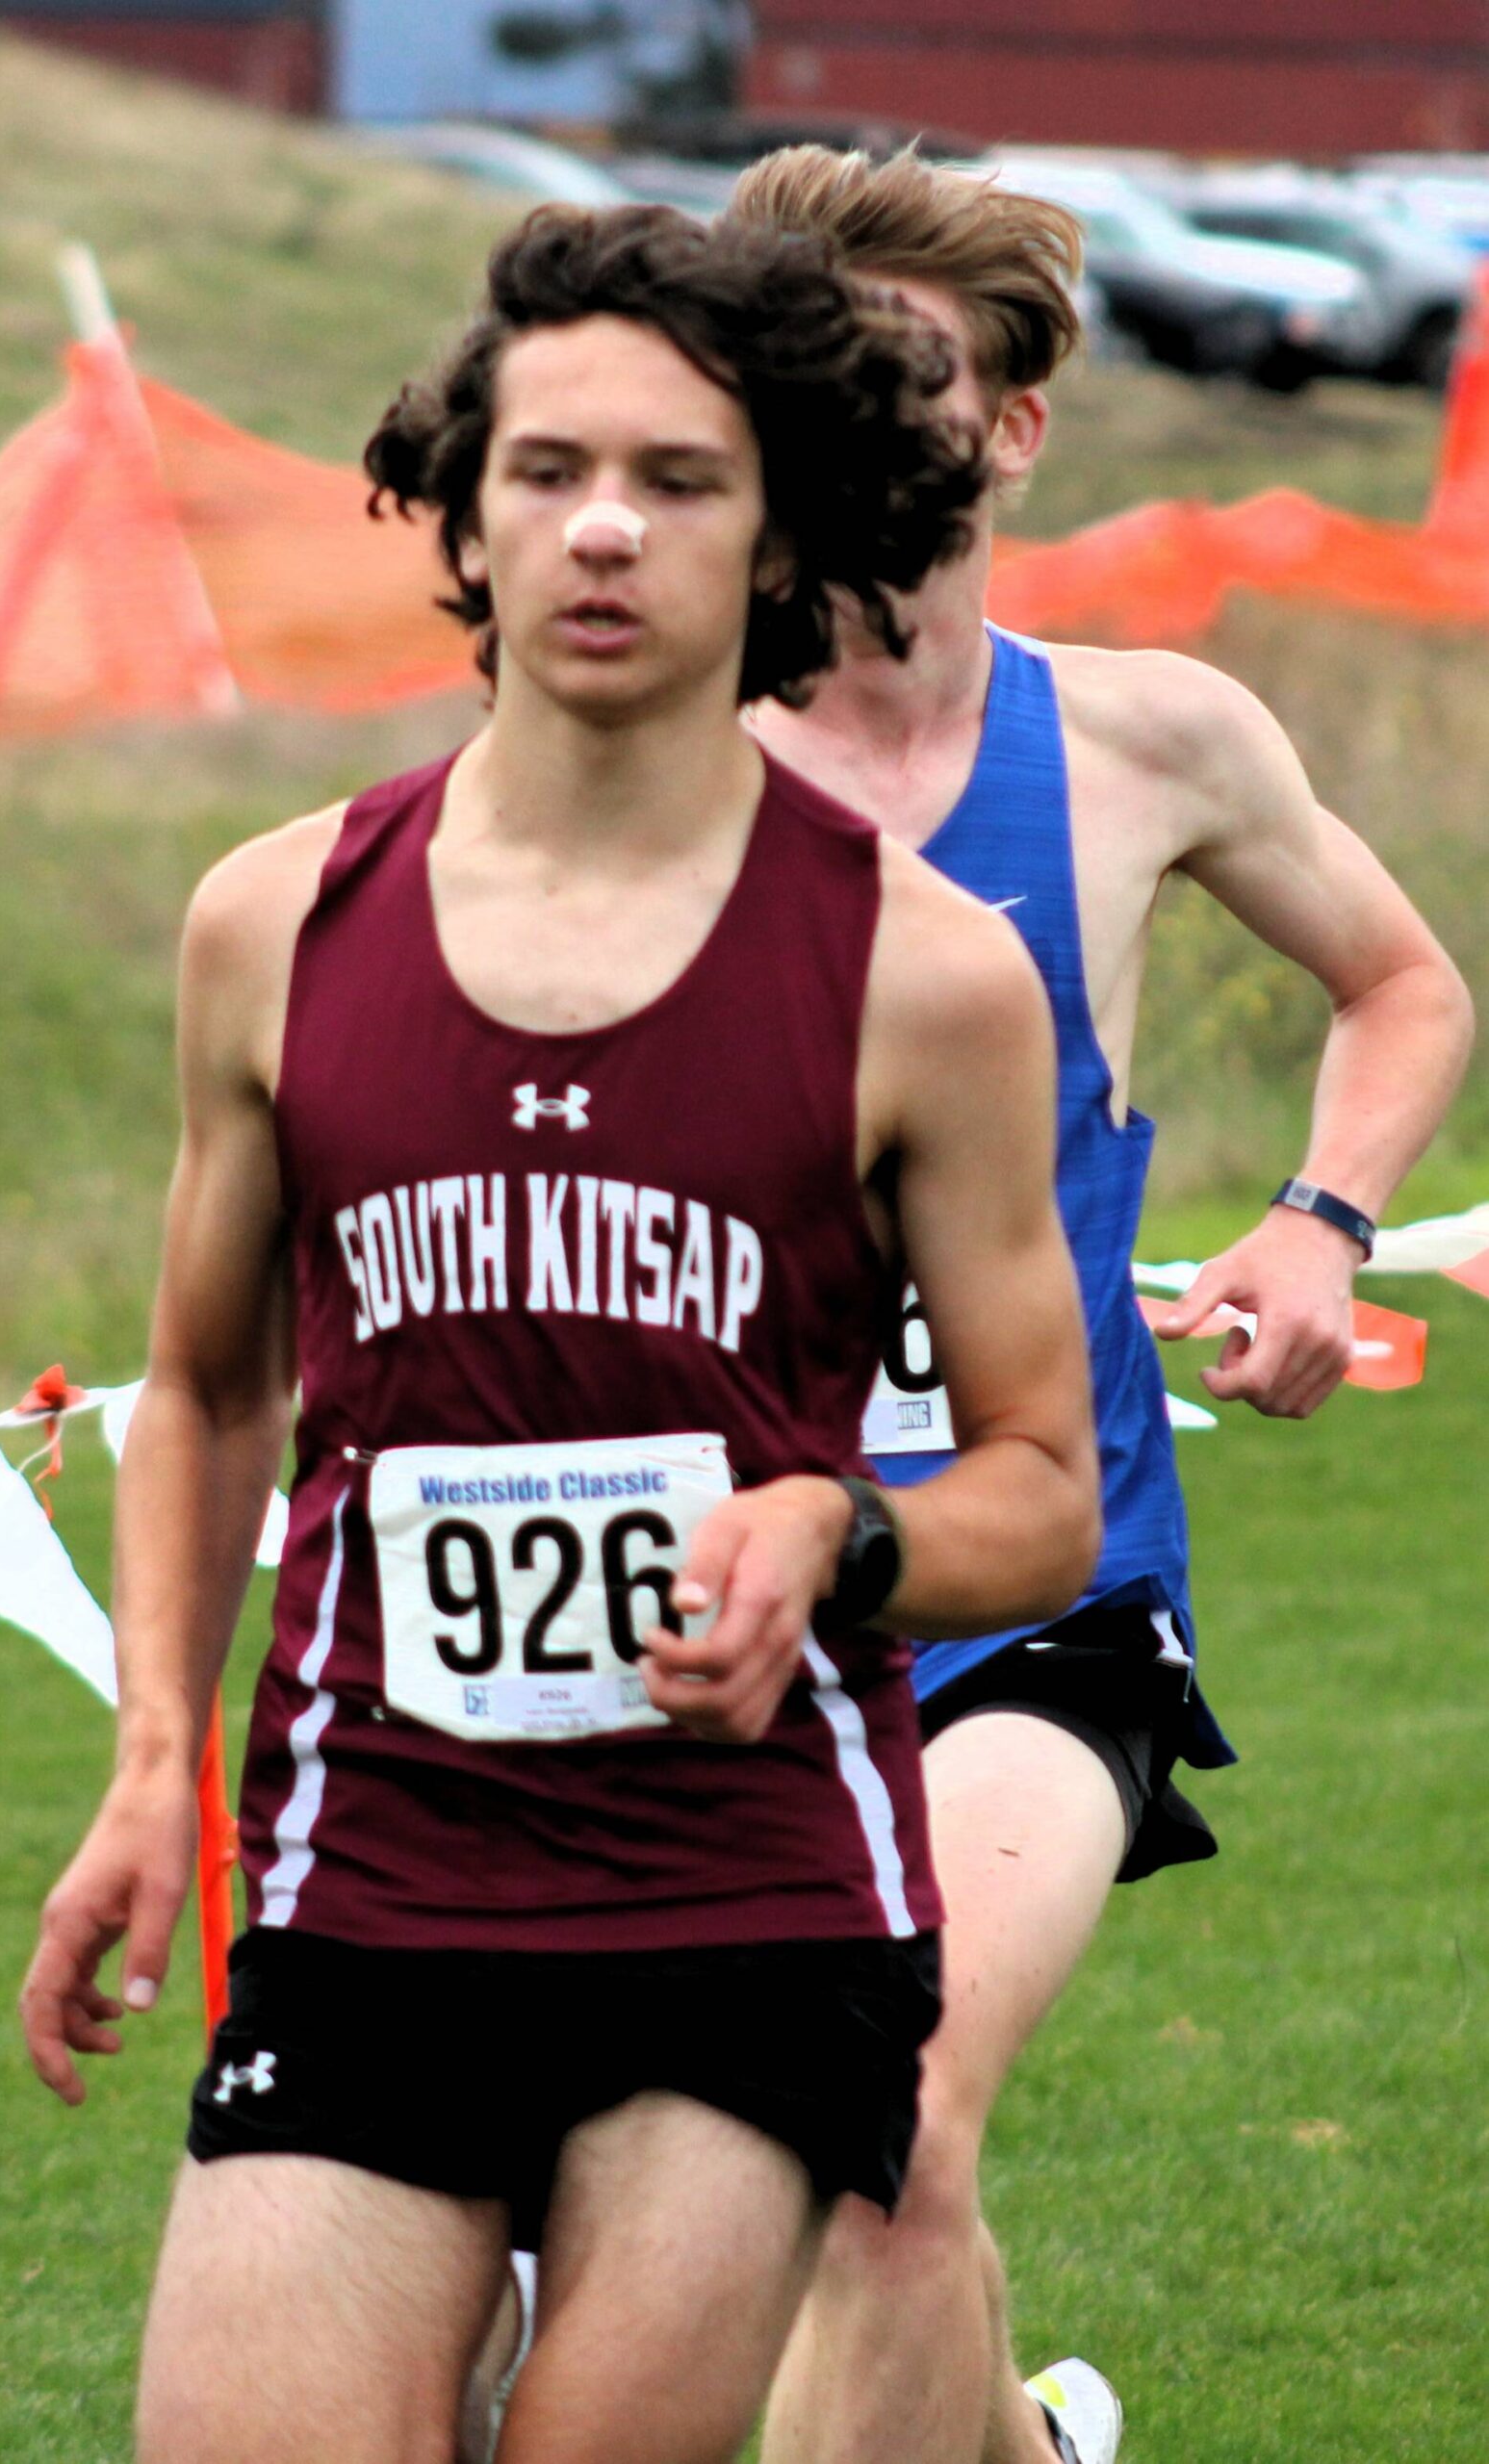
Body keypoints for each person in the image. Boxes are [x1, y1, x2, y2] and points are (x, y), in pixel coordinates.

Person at [18, 202, 1102, 2464]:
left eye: (680, 479)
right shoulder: (277, 924)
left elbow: (1043, 1488)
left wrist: (833, 1529)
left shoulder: (923, 973)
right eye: (546, 468)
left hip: (747, 1882)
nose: (604, 526)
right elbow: (214, 1386)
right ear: (465, 506)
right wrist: (150, 1756)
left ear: (781, 521)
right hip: (375, 1854)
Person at [721, 146, 1476, 2464]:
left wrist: (1317, 1226)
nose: (858, 416)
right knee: (701, 2185)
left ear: (1017, 426)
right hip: (719, 1583)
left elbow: (1402, 982)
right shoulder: (647, 767)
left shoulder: (1147, 740)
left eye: (907, 373)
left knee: (892, 2106)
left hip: (1046, 1585)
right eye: (809, 373)